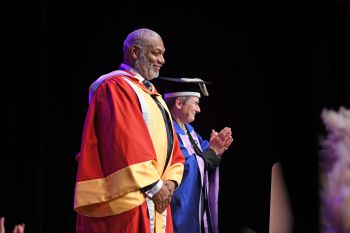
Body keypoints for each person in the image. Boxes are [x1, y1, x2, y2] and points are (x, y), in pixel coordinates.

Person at [73, 28, 185, 233]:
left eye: (163, 54)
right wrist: (155, 186)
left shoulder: (154, 95)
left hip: (156, 201)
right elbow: (125, 140)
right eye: (156, 53)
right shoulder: (115, 87)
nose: (162, 60)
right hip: (130, 202)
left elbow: (173, 146)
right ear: (135, 52)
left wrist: (170, 182)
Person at [156, 77, 234, 233]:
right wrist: (211, 152)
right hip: (175, 209)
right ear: (179, 103)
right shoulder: (167, 132)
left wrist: (215, 150)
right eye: (196, 103)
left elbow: (203, 156)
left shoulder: (190, 131)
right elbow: (182, 168)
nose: (199, 110)